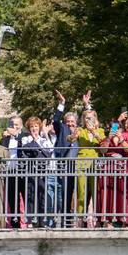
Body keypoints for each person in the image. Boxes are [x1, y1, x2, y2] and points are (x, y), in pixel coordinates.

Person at [72, 97, 106, 227]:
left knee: (96, 190)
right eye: (86, 118)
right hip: (81, 161)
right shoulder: (80, 130)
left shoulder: (101, 131)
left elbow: (103, 142)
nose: (89, 120)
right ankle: (79, 219)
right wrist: (73, 136)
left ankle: (95, 219)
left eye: (91, 118)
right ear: (83, 120)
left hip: (95, 162)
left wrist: (94, 132)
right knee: (81, 191)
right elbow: (70, 139)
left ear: (96, 119)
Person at [19, 116, 54, 227]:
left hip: (42, 172)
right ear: (29, 129)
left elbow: (49, 152)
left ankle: (42, 222)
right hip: (30, 172)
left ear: (39, 127)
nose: (34, 129)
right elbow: (26, 150)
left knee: (42, 195)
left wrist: (38, 148)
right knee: (30, 196)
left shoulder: (44, 139)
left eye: (36, 126)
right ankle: (31, 221)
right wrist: (38, 148)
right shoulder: (25, 139)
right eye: (31, 127)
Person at [51, 90, 80, 226]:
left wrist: (87, 105)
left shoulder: (81, 131)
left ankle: (83, 221)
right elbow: (55, 120)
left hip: (79, 166)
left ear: (77, 123)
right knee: (64, 193)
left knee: (78, 193)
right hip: (64, 164)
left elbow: (92, 121)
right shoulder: (62, 129)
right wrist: (61, 104)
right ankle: (65, 221)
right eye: (68, 122)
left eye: (73, 122)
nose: (70, 124)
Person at [98, 114, 128, 227]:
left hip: (121, 169)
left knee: (121, 194)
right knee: (107, 194)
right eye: (114, 127)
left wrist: (121, 138)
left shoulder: (124, 138)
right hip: (108, 168)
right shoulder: (106, 139)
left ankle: (123, 221)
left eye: (118, 127)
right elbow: (103, 150)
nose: (116, 130)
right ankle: (107, 221)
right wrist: (110, 136)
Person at [0, 115, 24, 228]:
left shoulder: (25, 136)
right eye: (12, 125)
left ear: (21, 126)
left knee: (28, 199)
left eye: (16, 125)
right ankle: (15, 225)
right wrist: (4, 137)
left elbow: (26, 145)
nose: (14, 127)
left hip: (24, 172)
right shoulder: (5, 139)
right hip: (10, 173)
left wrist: (16, 135)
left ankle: (32, 223)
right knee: (12, 200)